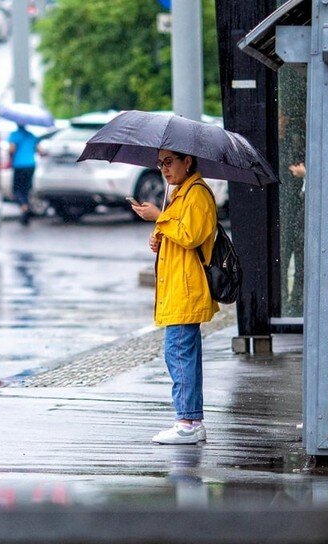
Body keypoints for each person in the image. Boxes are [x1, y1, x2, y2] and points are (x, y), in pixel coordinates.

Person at [132, 150, 218, 445]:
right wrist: (159, 235)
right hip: (177, 288)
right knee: (181, 354)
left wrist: (160, 216)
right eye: (160, 164)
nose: (164, 170)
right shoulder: (181, 194)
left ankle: (188, 422)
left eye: (169, 162)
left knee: (179, 354)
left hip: (187, 288)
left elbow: (191, 235)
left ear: (188, 162)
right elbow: (177, 234)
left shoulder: (197, 194)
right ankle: (190, 419)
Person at [8, 124, 39, 226]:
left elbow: (11, 149)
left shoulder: (15, 135)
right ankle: (25, 209)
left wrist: (10, 156)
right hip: (31, 165)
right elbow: (40, 150)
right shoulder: (31, 135)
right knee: (26, 189)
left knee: (16, 190)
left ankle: (24, 208)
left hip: (19, 165)